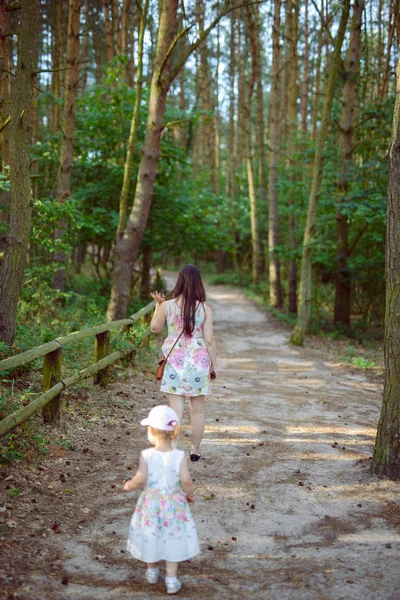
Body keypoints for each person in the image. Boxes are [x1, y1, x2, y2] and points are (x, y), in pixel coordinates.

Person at [124, 405, 199, 595]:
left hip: (151, 504)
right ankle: (171, 579)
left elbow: (140, 479)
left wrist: (129, 485)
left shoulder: (147, 455)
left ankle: (151, 570)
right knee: (171, 537)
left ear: (150, 432)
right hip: (173, 504)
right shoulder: (179, 456)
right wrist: (189, 494)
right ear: (174, 432)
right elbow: (186, 480)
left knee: (151, 533)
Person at [150, 265, 217, 461]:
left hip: (175, 363)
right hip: (199, 362)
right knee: (197, 410)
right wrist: (213, 365)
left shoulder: (167, 306)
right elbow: (210, 340)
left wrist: (157, 305)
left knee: (176, 410)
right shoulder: (205, 309)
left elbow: (155, 328)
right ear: (199, 283)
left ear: (179, 281)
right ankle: (195, 450)